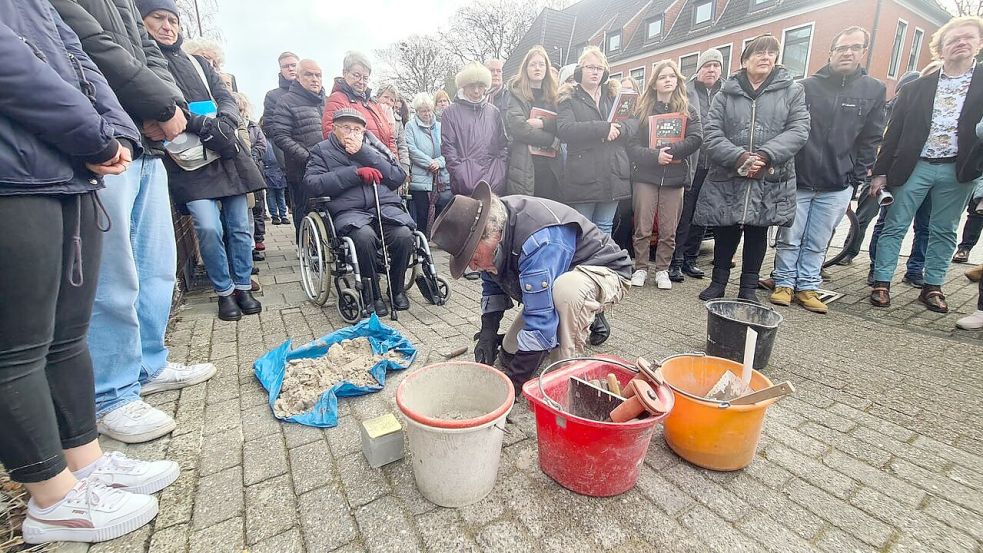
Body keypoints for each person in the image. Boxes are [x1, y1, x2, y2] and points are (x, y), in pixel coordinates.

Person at [1, 0, 181, 543]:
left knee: (67, 335)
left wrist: (118, 132)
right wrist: (93, 135)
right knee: (17, 347)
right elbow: (14, 64)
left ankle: (87, 462)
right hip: (16, 170)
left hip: (67, 170)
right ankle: (50, 498)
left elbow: (79, 55)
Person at [52, 0, 217, 444]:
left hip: (148, 145)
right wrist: (161, 107)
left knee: (155, 267)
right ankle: (111, 394)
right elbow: (93, 46)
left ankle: (149, 363)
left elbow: (149, 55)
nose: (165, 23)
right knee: (112, 276)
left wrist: (166, 106)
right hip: (106, 141)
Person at [430, 182, 632, 392]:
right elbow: (492, 284)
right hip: (557, 272)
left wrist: (514, 386)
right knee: (509, 353)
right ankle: (566, 321)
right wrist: (488, 331)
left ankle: (565, 376)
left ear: (492, 235)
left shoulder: (535, 241)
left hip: (605, 270)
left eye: (473, 257)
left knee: (566, 292)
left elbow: (539, 323)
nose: (472, 266)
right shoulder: (495, 226)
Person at [142, 1, 266, 322]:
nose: (168, 26)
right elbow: (165, 107)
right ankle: (223, 291)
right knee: (208, 227)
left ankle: (242, 285)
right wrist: (203, 124)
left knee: (239, 226)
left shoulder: (198, 62)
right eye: (159, 19)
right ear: (143, 22)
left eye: (173, 20)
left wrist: (224, 120)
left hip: (226, 154)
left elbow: (224, 95)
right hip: (188, 161)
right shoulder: (145, 63)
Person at [868, 16, 983, 313]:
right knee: (895, 225)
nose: (961, 42)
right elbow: (892, 132)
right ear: (940, 49)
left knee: (944, 230)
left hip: (959, 168)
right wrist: (880, 172)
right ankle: (881, 281)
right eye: (953, 39)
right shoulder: (918, 87)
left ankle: (933, 286)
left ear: (979, 44)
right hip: (914, 164)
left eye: (968, 37)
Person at [769, 27, 887, 313]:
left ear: (863, 52)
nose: (848, 53)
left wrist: (855, 179)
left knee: (819, 238)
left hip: (838, 180)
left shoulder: (873, 90)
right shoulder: (806, 86)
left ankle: (808, 286)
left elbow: (870, 139)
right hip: (800, 177)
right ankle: (783, 282)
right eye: (842, 47)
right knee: (790, 235)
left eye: (855, 47)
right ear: (831, 52)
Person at [694, 34, 810, 302]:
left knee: (758, 230)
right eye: (759, 52)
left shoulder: (792, 91)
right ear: (745, 60)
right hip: (729, 171)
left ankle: (747, 288)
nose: (765, 57)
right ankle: (718, 282)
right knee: (726, 228)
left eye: (771, 52)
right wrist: (738, 157)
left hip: (770, 174)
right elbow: (711, 133)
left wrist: (767, 155)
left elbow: (799, 129)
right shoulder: (726, 93)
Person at [304, 108, 413, 315]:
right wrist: (354, 173)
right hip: (348, 210)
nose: (351, 132)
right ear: (334, 129)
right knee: (363, 238)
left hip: (384, 206)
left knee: (404, 235)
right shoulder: (321, 150)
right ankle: (372, 294)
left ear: (364, 131)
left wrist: (364, 153)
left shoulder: (373, 148)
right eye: (346, 127)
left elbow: (397, 177)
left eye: (357, 129)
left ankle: (397, 289)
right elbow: (312, 183)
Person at [842, 71, 930, 288]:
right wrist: (872, 169)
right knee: (867, 217)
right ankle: (849, 252)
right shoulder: (888, 108)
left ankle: (884, 267)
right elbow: (877, 139)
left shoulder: (924, 112)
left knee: (899, 222)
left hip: (908, 171)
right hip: (878, 170)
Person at [627, 60, 703, 290]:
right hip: (647, 176)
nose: (667, 80)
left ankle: (662, 269)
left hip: (674, 177)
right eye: (662, 77)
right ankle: (640, 267)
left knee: (669, 228)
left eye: (671, 76)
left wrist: (670, 152)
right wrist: (654, 156)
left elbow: (697, 137)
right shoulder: (642, 111)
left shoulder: (687, 109)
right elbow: (632, 146)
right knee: (642, 225)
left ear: (677, 81)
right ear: (654, 83)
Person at [555, 46, 632, 236]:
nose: (595, 72)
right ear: (580, 70)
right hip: (584, 175)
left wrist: (619, 130)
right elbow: (565, 130)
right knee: (584, 228)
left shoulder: (614, 95)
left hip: (613, 171)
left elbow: (634, 123)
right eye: (590, 67)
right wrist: (603, 128)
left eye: (599, 68)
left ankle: (602, 265)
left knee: (605, 226)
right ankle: (586, 265)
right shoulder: (569, 97)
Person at [670, 49, 724, 282]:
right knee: (684, 214)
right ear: (698, 69)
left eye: (716, 65)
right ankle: (676, 259)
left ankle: (692, 258)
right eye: (707, 65)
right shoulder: (686, 91)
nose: (711, 70)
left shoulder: (726, 93)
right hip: (690, 162)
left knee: (705, 212)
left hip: (715, 164)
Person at [270, 59, 326, 238]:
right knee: (304, 209)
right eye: (309, 75)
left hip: (328, 165)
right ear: (299, 77)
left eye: (318, 75)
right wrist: (307, 157)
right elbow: (279, 135)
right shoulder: (286, 101)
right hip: (301, 168)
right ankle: (304, 245)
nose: (314, 79)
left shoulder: (326, 101)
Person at [441, 62, 509, 195]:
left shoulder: (493, 112)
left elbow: (503, 146)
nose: (476, 91)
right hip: (465, 186)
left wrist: (499, 172)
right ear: (464, 86)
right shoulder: (450, 113)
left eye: (480, 86)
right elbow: (448, 148)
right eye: (472, 86)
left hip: (494, 185)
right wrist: (461, 173)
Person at [505, 45, 563, 200]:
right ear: (526, 69)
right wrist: (551, 139)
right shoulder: (516, 94)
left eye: (541, 64)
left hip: (551, 167)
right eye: (533, 64)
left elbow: (564, 124)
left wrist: (542, 123)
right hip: (525, 165)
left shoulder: (555, 96)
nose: (537, 68)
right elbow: (519, 128)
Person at [323, 52, 397, 157]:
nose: (361, 81)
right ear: (344, 73)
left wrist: (396, 164)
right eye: (356, 75)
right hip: (360, 166)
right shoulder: (337, 99)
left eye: (365, 78)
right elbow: (332, 137)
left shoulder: (372, 103)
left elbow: (390, 138)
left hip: (385, 165)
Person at [405, 93, 451, 235]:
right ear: (417, 112)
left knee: (441, 207)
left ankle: (435, 238)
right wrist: (429, 162)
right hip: (421, 178)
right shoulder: (410, 126)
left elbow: (448, 149)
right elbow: (411, 149)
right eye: (423, 111)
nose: (427, 114)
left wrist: (439, 162)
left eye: (429, 110)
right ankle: (421, 241)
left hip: (439, 177)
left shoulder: (440, 126)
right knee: (422, 213)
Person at [235, 92, 269, 257]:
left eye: (241, 108)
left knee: (257, 205)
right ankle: (246, 246)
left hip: (255, 170)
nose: (239, 112)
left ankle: (258, 239)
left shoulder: (254, 127)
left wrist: (252, 158)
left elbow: (262, 145)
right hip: (236, 172)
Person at [261, 51, 299, 140]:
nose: (290, 68)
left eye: (293, 65)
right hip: (287, 147)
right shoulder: (272, 96)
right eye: (285, 66)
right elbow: (270, 126)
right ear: (281, 70)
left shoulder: (313, 93)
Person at [376, 83, 410, 177]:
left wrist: (405, 169)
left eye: (392, 100)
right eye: (385, 97)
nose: (388, 102)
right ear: (378, 97)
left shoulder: (398, 121)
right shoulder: (370, 114)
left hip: (393, 165)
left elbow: (402, 145)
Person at [262, 136, 290, 225]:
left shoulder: (265, 140)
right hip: (276, 169)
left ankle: (277, 216)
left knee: (273, 195)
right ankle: (280, 215)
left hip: (273, 169)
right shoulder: (278, 139)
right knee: (277, 194)